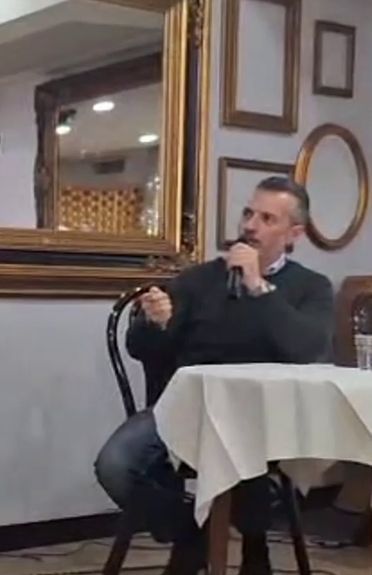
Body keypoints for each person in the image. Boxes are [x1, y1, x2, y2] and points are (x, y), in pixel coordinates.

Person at [94, 177, 335, 575]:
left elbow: (306, 349)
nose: (250, 226)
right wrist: (155, 323)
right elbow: (143, 349)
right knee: (115, 465)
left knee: (250, 467)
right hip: (187, 409)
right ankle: (193, 534)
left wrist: (258, 287)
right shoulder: (199, 280)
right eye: (248, 213)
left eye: (267, 218)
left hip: (265, 419)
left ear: (294, 234)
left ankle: (252, 544)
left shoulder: (311, 288)